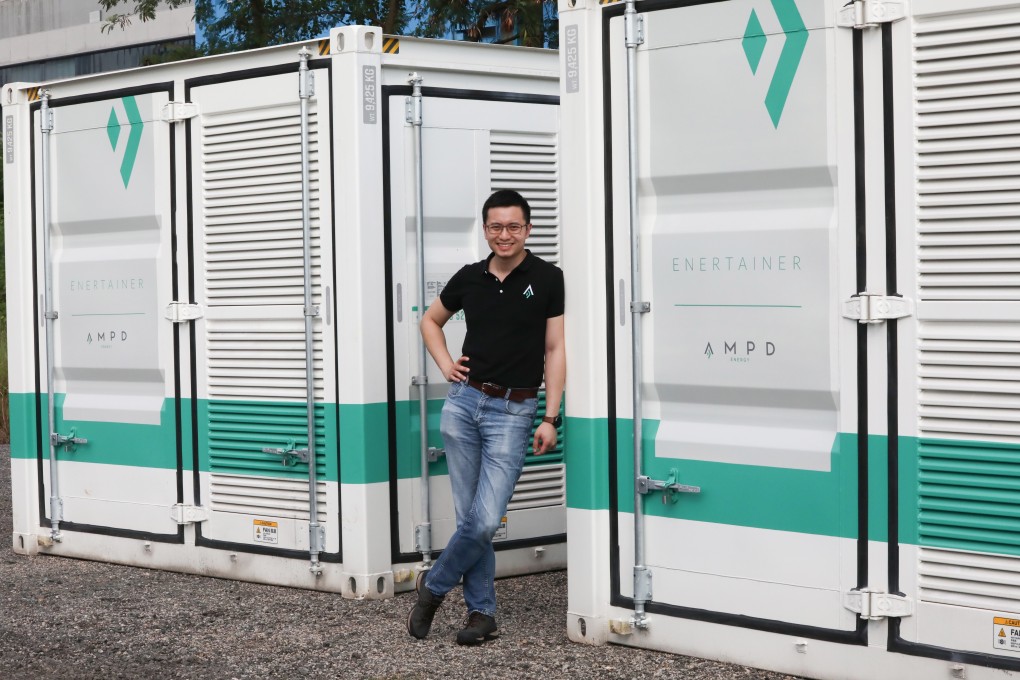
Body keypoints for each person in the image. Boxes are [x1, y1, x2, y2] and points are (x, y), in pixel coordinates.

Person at [407, 189, 566, 645]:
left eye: (513, 226)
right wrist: (444, 365)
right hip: (462, 406)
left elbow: (554, 349)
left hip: (514, 411)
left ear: (529, 229)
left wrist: (550, 416)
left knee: (483, 519)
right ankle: (482, 614)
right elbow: (429, 321)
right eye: (496, 226)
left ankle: (433, 587)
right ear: (485, 229)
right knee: (469, 519)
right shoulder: (470, 277)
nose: (504, 235)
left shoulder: (549, 278)